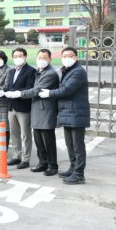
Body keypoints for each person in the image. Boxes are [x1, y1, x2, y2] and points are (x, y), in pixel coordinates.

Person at [39, 46, 90, 184]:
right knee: (70, 144)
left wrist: (49, 93)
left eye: (70, 55)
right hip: (68, 112)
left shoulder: (78, 72)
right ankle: (73, 168)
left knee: (77, 146)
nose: (67, 58)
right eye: (65, 55)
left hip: (76, 113)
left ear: (76, 57)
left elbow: (66, 90)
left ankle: (79, 174)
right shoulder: (68, 71)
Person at [10, 49, 60, 176]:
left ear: (50, 59)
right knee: (38, 140)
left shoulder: (50, 74)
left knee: (48, 140)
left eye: (44, 58)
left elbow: (36, 90)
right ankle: (42, 163)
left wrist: (19, 93)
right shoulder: (39, 72)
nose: (41, 60)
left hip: (46, 111)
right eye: (39, 57)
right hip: (37, 110)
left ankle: (52, 165)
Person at [0, 48, 36, 170]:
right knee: (14, 134)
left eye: (20, 56)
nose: (17, 58)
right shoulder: (11, 71)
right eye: (15, 56)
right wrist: (1, 91)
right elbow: (8, 86)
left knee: (25, 134)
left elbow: (30, 87)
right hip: (11, 106)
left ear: (25, 57)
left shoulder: (31, 71)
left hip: (23, 107)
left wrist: (16, 92)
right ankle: (16, 156)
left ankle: (26, 159)